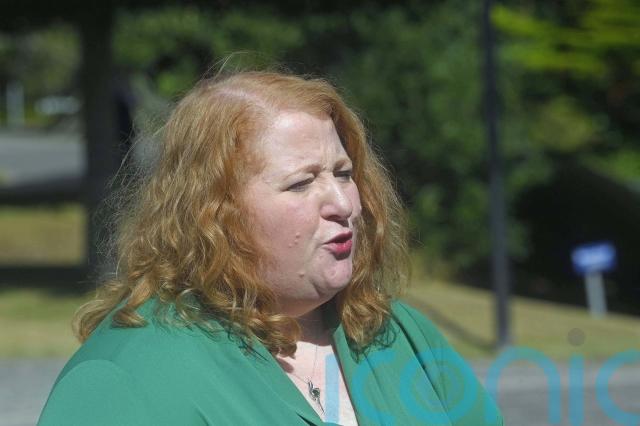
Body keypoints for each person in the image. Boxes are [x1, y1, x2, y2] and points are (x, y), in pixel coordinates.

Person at [38, 71, 504, 426]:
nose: (344, 204)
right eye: (301, 183)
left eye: (344, 174)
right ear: (214, 212)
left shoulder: (397, 333)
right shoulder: (128, 378)